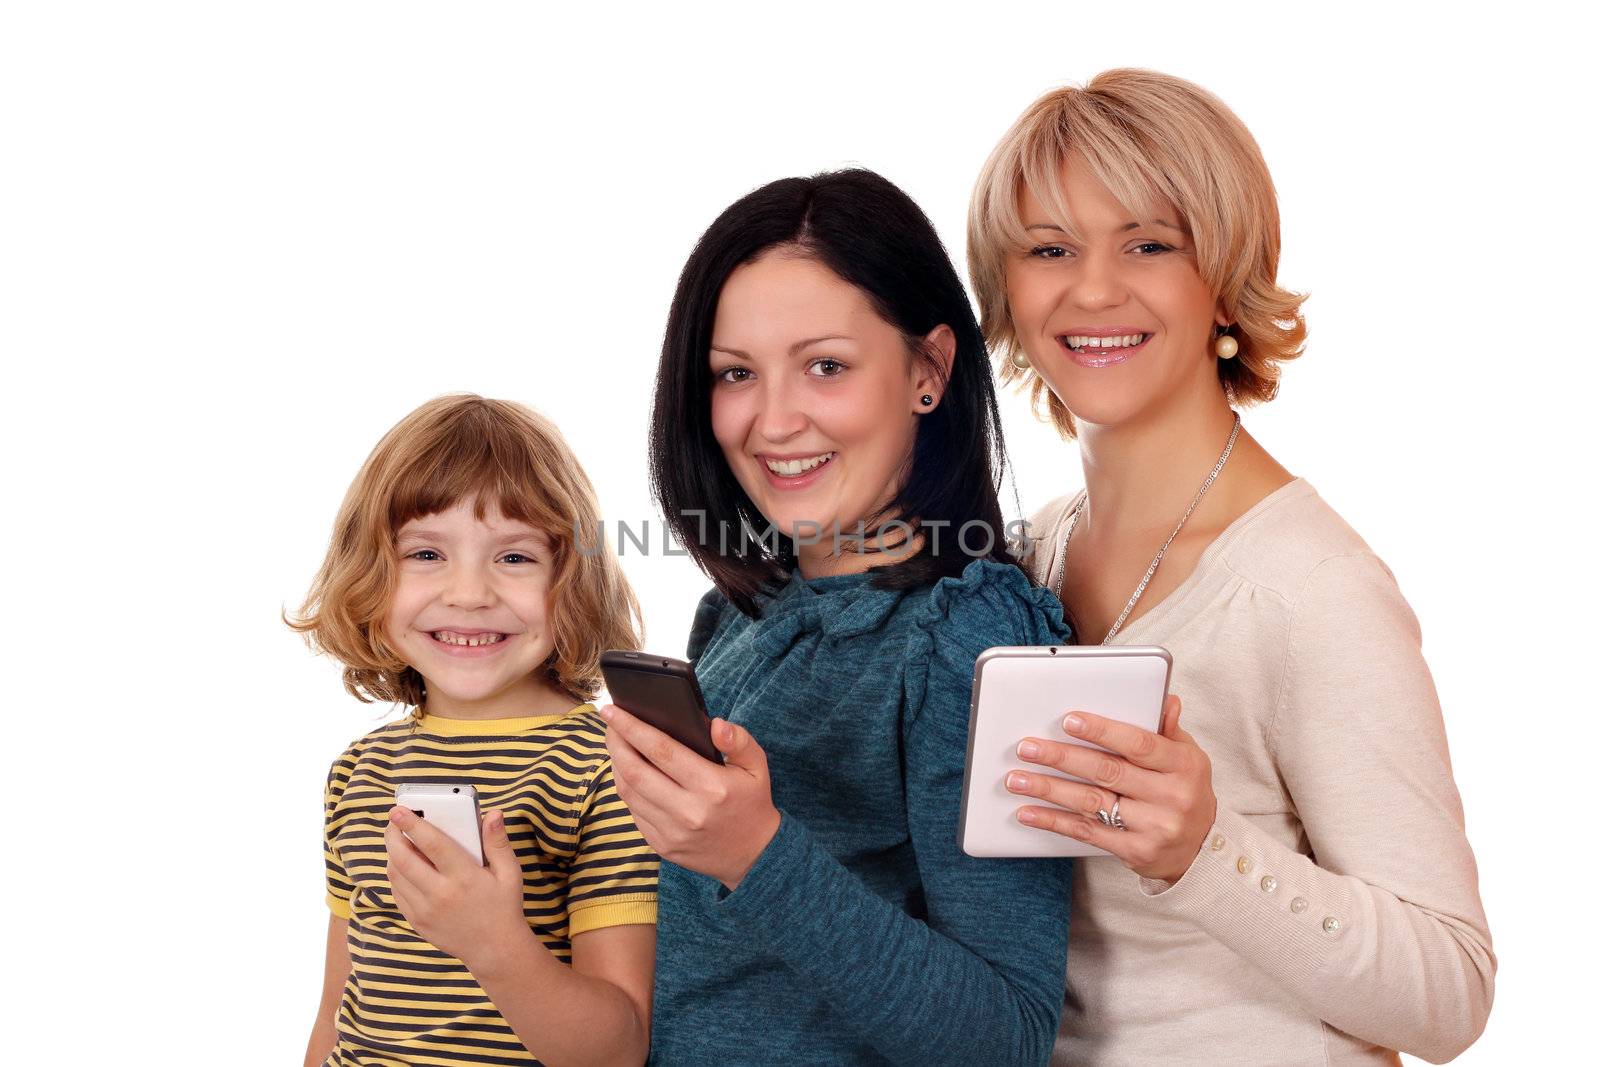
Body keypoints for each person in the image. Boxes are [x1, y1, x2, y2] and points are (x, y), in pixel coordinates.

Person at [965, 70, 1495, 1064]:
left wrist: (1204, 848)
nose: (1091, 288)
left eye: (1149, 244)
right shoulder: (1028, 555)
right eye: (1049, 249)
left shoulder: (1307, 586)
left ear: (1223, 278)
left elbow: (1449, 990)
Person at [600, 169, 1074, 1066]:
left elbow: (1007, 1035)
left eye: (825, 366)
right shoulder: (734, 616)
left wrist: (758, 853)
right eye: (736, 373)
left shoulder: (973, 639)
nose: (773, 421)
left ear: (928, 371)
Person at [290, 394, 659, 1067]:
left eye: (514, 558)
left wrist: (492, 940)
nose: (468, 593)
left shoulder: (607, 766)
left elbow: (618, 1048)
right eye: (426, 553)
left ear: (570, 580)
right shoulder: (358, 770)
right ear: (372, 575)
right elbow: (336, 1010)